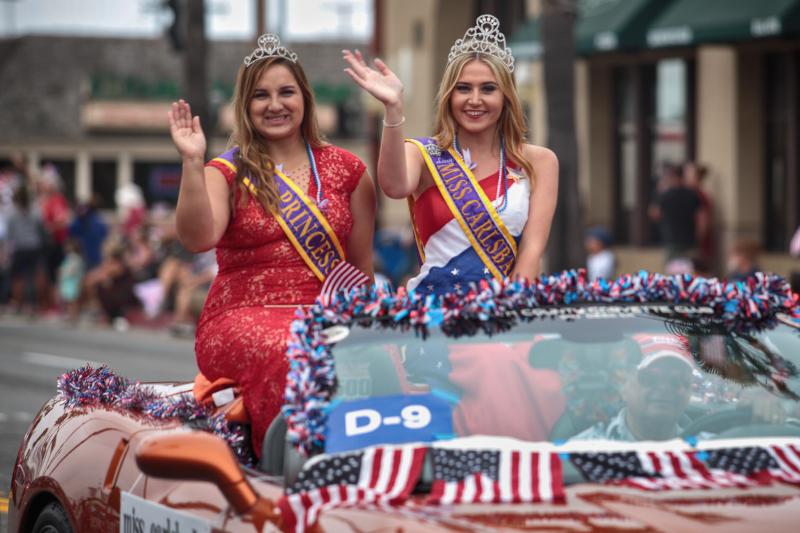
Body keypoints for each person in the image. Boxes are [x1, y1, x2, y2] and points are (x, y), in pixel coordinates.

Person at [168, 33, 376, 454]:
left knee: (381, 356)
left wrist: (374, 328)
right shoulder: (225, 171)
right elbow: (198, 238)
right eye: (261, 95)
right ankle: (286, 468)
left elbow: (360, 269)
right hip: (241, 314)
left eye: (286, 92)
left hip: (325, 309)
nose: (275, 104)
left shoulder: (349, 170)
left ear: (305, 98)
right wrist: (192, 163)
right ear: (245, 106)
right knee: (292, 350)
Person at [343, 14, 558, 295]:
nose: (475, 100)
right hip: (431, 318)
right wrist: (393, 108)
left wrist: (506, 317)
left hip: (504, 314)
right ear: (449, 96)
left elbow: (532, 252)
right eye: (463, 88)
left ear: (506, 96)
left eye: (488, 89)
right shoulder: (423, 154)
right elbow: (394, 187)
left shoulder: (539, 162)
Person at [648, 163, 701, 271]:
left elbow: (654, 213)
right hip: (689, 239)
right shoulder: (692, 194)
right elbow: (702, 218)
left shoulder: (664, 195)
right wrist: (699, 236)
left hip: (671, 239)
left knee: (671, 272)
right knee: (689, 272)